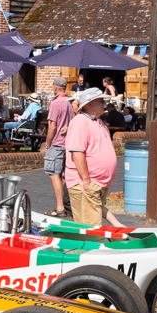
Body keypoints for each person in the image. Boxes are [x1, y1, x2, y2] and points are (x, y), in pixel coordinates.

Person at [64, 88, 120, 227]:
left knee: (93, 225)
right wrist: (86, 181)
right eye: (100, 101)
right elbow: (77, 153)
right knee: (91, 229)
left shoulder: (98, 121)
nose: (104, 104)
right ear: (89, 104)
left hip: (97, 183)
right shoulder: (80, 121)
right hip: (86, 183)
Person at [43, 78, 73, 217]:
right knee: (65, 175)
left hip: (57, 143)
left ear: (55, 87)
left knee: (54, 174)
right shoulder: (70, 102)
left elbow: (52, 126)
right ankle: (67, 204)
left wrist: (48, 143)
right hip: (68, 143)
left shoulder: (56, 103)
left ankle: (60, 207)